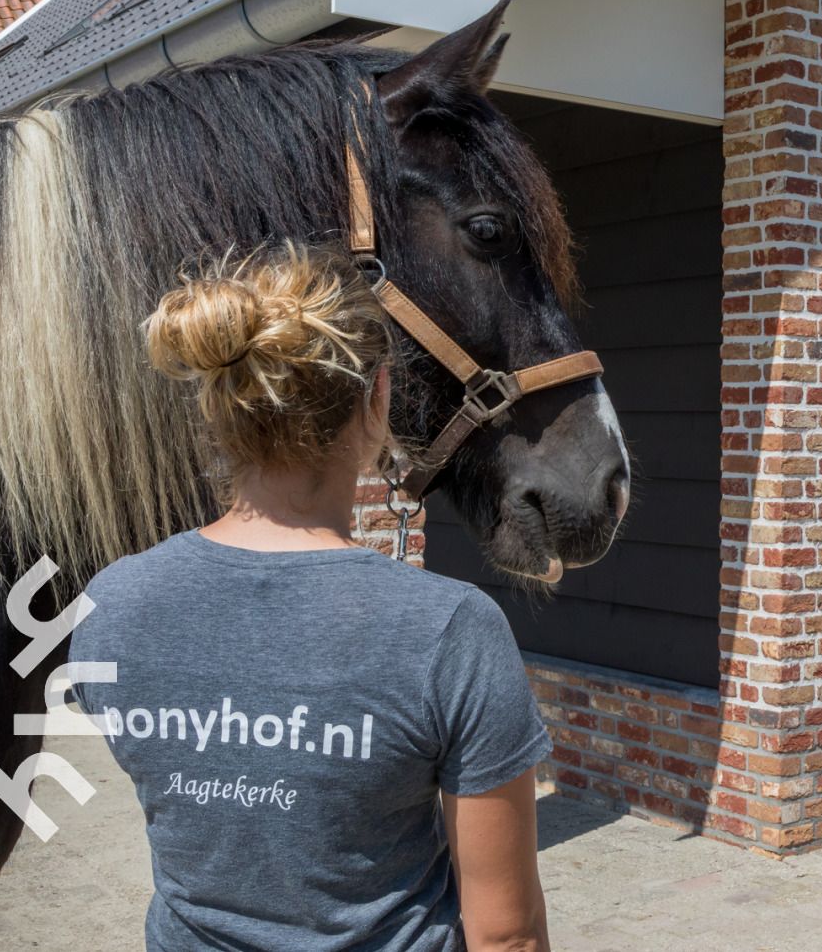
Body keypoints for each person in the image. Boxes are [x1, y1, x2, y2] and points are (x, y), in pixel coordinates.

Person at [71, 241, 552, 952]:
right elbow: (505, 935)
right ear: (377, 399)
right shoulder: (452, 631)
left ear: (218, 409)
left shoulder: (109, 607)